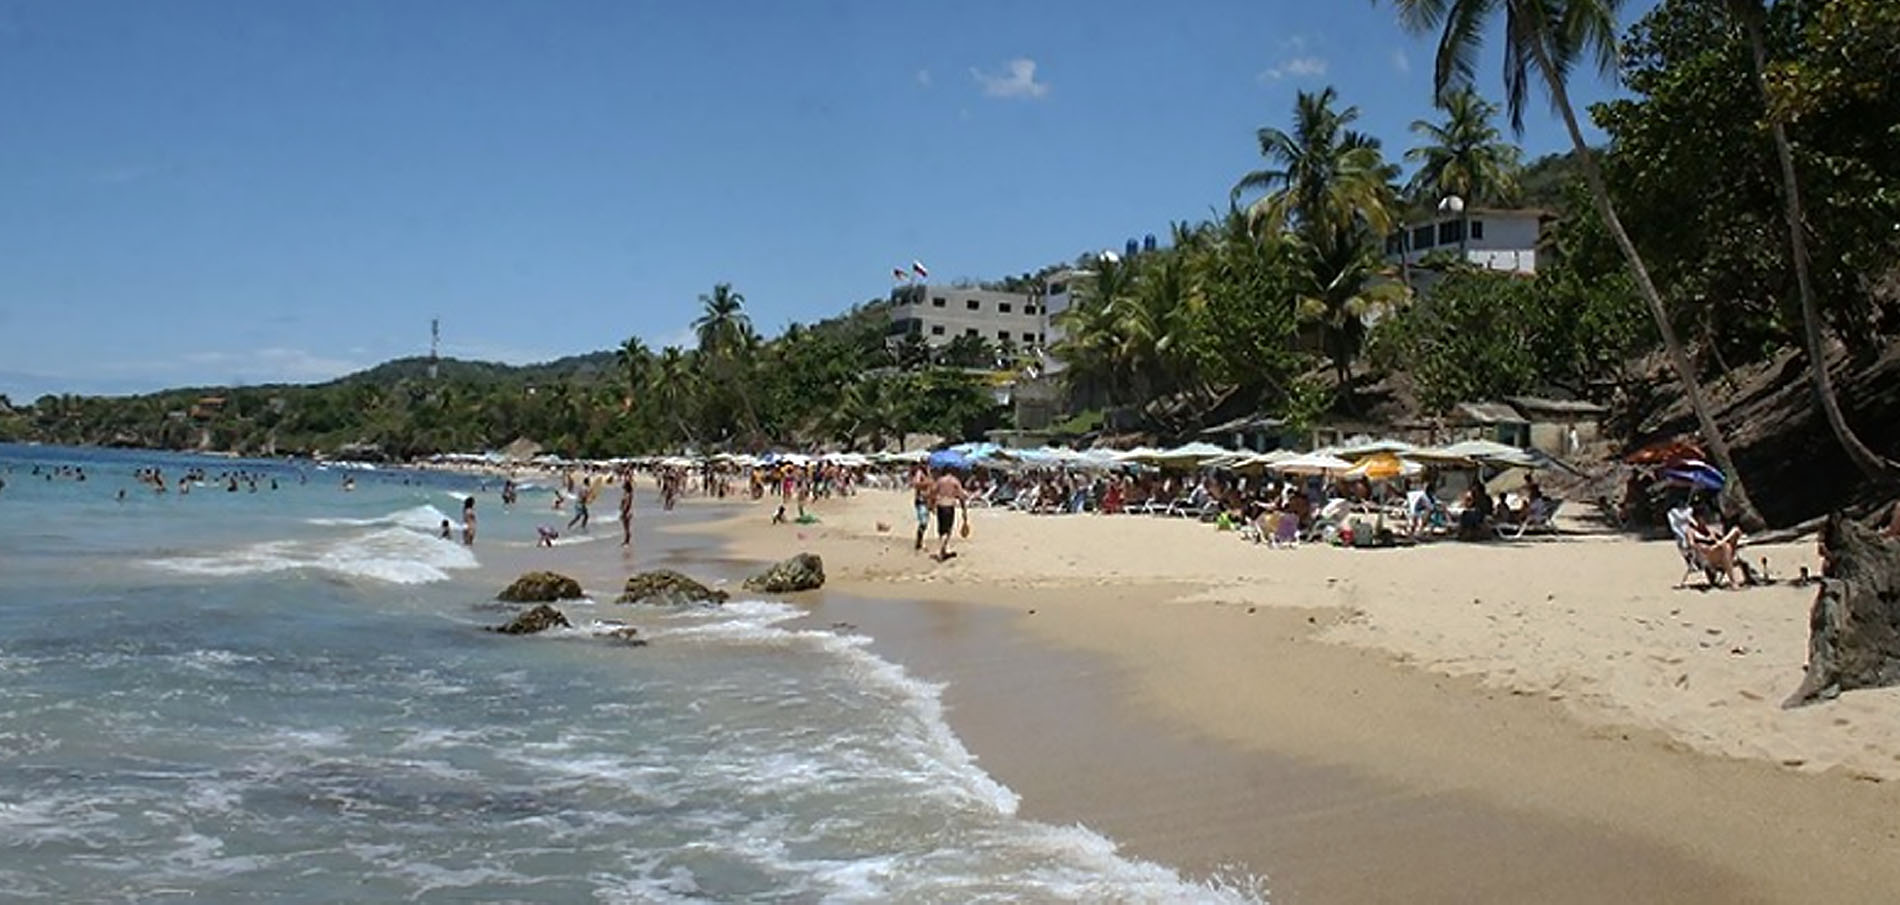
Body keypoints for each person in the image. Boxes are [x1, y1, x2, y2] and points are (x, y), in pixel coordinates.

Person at [930, 467, 967, 560]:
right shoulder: (955, 481)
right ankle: (942, 550)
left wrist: (931, 505)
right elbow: (961, 496)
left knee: (941, 529)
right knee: (948, 530)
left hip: (940, 505)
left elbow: (933, 492)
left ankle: (942, 551)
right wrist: (964, 510)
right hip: (949, 505)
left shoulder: (940, 480)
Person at [909, 465, 932, 551]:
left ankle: (920, 540)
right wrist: (927, 483)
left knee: (925, 523)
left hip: (926, 501)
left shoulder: (928, 473)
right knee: (923, 522)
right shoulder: (920, 473)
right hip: (921, 500)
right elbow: (915, 484)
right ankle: (919, 541)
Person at [619, 476, 635, 548]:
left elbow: (627, 504)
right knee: (626, 527)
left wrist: (623, 512)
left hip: (627, 512)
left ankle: (627, 542)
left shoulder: (628, 495)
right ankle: (626, 541)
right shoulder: (627, 494)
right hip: (627, 511)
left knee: (626, 528)